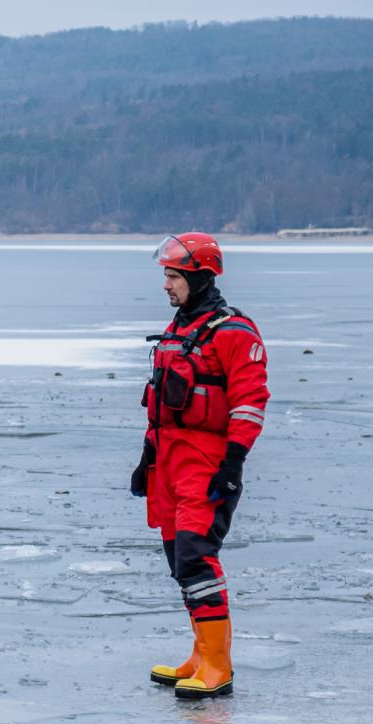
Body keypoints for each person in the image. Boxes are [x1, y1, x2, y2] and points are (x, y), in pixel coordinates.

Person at [130, 233, 269, 699]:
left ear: (197, 277)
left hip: (206, 465)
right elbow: (163, 407)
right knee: (178, 560)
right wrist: (146, 459)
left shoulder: (234, 333)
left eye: (172, 276)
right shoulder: (179, 330)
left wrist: (233, 464)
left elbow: (250, 403)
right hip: (168, 464)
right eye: (166, 275)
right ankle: (200, 653)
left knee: (196, 558)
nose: (166, 285)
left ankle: (218, 665)